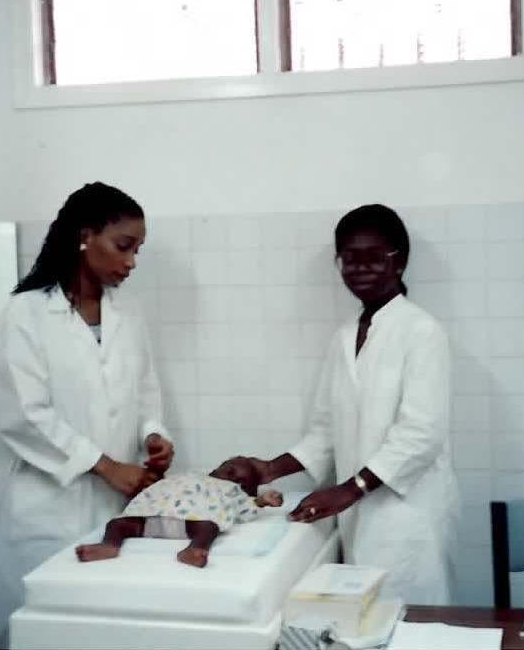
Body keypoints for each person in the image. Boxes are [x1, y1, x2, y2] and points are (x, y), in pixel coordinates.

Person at [0, 182, 175, 650]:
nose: (131, 261)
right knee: (39, 629)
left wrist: (154, 436)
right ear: (85, 236)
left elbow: (146, 388)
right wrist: (108, 466)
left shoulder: (127, 312)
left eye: (137, 250)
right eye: (123, 246)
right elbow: (24, 416)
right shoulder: (25, 313)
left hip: (110, 506)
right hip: (46, 507)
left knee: (99, 629)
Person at [249, 204, 460, 604]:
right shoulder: (344, 337)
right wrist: (270, 469)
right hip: (359, 516)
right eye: (349, 258)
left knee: (411, 622)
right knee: (362, 623)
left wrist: (349, 489)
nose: (360, 268)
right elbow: (325, 430)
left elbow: (421, 435)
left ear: (399, 262)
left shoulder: (422, 332)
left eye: (373, 257)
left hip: (408, 516)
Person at [75, 456, 284, 568]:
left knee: (209, 527)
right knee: (118, 524)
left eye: (242, 482)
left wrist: (260, 501)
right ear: (216, 468)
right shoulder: (190, 475)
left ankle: (195, 549)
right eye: (229, 471)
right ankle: (109, 545)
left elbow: (244, 508)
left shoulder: (232, 492)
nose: (233, 480)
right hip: (151, 516)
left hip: (191, 522)